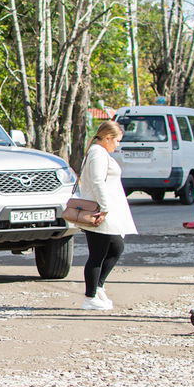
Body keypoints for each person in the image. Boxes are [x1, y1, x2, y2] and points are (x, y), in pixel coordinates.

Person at [76, 120, 136, 310]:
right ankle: (90, 297)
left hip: (104, 211)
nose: (118, 145)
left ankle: (98, 287)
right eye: (117, 140)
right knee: (98, 254)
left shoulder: (99, 152)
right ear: (108, 138)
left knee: (115, 248)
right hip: (99, 212)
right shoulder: (97, 153)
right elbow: (97, 181)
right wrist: (105, 208)